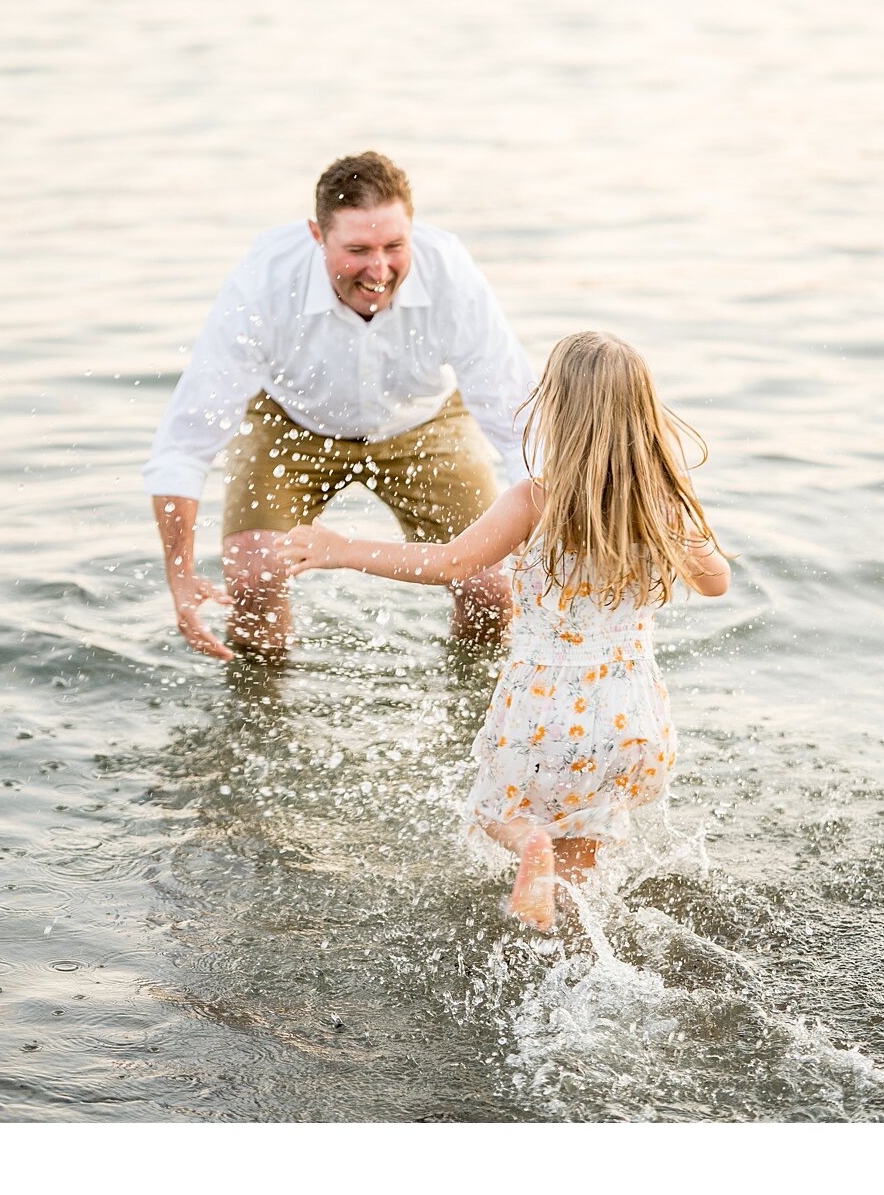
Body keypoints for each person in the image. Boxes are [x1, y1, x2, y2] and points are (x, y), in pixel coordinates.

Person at [282, 331, 731, 930]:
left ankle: (529, 850)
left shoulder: (535, 500)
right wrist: (678, 524)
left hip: (547, 708)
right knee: (583, 849)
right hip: (633, 718)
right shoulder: (667, 502)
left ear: (557, 410)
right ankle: (561, 946)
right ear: (644, 412)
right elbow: (715, 583)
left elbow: (449, 564)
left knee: (497, 811)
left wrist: (341, 549)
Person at [144, 151, 535, 661]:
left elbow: (519, 424)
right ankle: (261, 716)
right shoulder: (264, 279)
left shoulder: (451, 274)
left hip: (424, 419)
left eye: (395, 245)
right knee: (255, 576)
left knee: (490, 586)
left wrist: (546, 542)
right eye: (357, 249)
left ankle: (481, 714)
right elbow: (185, 443)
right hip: (292, 420)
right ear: (316, 235)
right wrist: (181, 576)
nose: (379, 270)